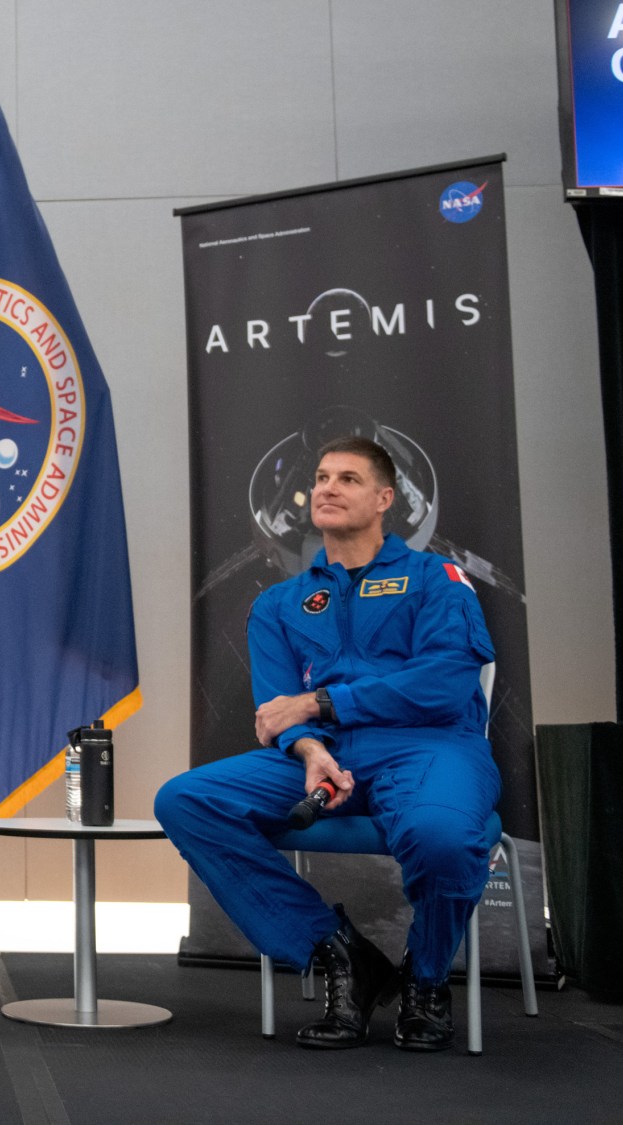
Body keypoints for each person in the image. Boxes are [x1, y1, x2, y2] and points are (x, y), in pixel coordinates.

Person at [154, 435, 499, 1052]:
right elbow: (277, 710)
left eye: (347, 479)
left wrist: (322, 703)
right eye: (319, 478)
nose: (327, 488)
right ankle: (342, 956)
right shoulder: (280, 603)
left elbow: (445, 684)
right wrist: (310, 748)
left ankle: (425, 981)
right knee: (187, 800)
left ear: (385, 498)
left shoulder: (436, 578)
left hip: (430, 748)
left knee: (442, 837)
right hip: (327, 755)